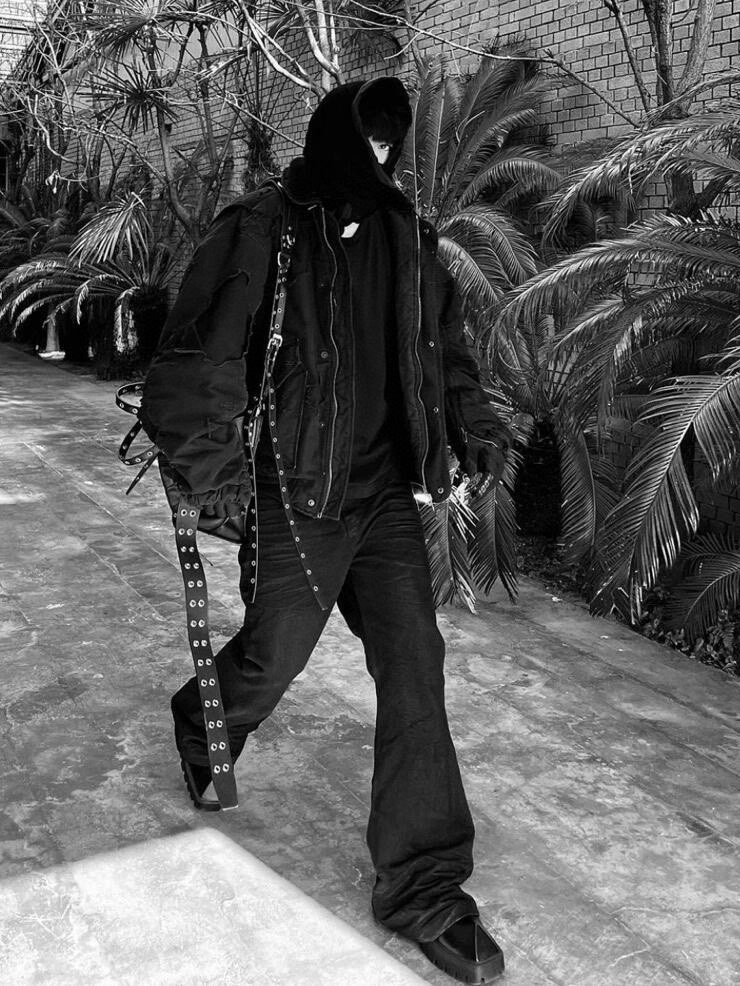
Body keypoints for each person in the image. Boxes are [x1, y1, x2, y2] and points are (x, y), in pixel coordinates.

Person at [139, 76, 511, 985]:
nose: (380, 157)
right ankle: (203, 720)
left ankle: (425, 887)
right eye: (367, 140)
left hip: (381, 499)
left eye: (391, 142)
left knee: (414, 662)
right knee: (274, 654)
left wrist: (473, 426)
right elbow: (195, 360)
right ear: (334, 139)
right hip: (294, 493)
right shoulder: (262, 228)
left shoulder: (411, 240)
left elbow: (442, 355)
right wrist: (218, 481)